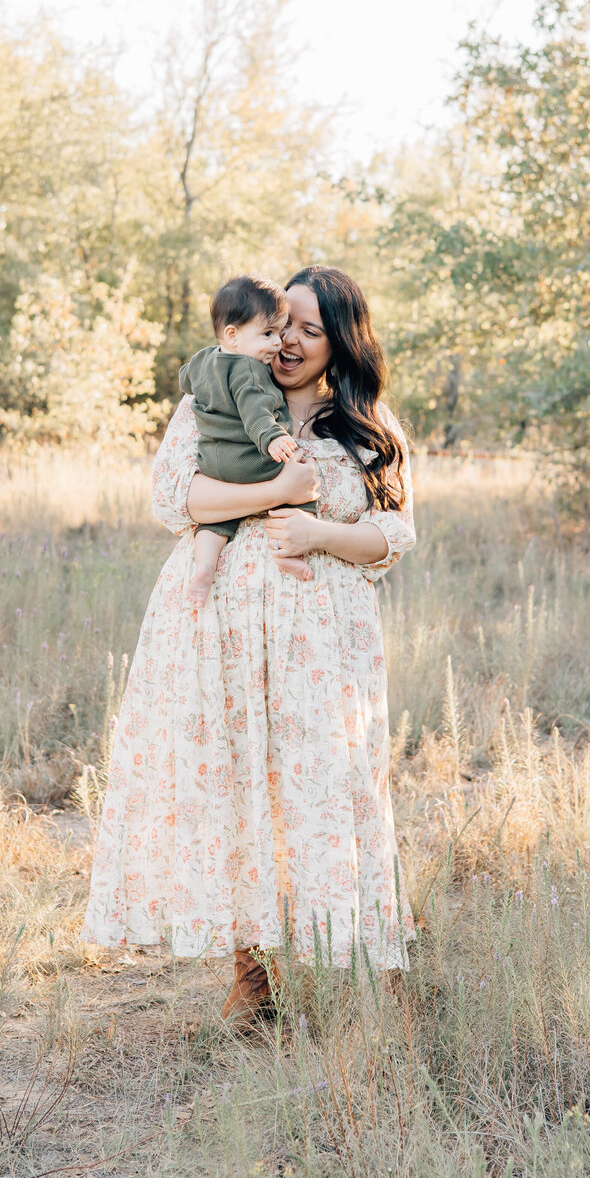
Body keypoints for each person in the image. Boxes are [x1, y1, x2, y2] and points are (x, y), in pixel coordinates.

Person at [82, 265, 416, 1021]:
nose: (290, 341)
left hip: (322, 644)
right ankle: (253, 974)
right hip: (217, 632)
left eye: (310, 328)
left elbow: (396, 533)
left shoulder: (364, 425)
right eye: (282, 324)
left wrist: (320, 531)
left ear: (340, 342)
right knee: (238, 786)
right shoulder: (211, 395)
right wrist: (274, 495)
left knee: (330, 787)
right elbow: (177, 499)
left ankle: (372, 964)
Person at [179, 273, 317, 610]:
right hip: (250, 457)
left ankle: (205, 566)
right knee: (300, 486)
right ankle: (287, 554)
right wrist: (271, 438)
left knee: (215, 521)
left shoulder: (203, 359)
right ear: (233, 335)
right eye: (269, 334)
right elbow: (255, 410)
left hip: (213, 463)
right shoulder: (252, 370)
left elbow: (185, 379)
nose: (277, 343)